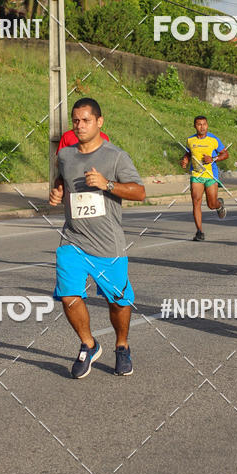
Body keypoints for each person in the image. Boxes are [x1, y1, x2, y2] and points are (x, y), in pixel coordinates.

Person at [49, 98, 146, 379]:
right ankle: (88, 344)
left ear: (99, 122)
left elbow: (139, 192)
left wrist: (108, 184)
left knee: (118, 302)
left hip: (108, 244)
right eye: (76, 120)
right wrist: (56, 193)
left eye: (86, 120)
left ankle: (122, 345)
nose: (80, 126)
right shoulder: (65, 155)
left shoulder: (116, 156)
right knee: (68, 296)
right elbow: (61, 181)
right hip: (73, 239)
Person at [179, 115, 228, 241]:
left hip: (211, 175)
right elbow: (188, 153)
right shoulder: (190, 140)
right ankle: (199, 232)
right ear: (195, 126)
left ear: (207, 125)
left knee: (211, 204)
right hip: (196, 175)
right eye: (199, 124)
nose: (202, 127)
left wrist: (213, 159)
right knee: (196, 202)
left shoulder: (214, 140)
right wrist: (185, 159)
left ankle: (219, 205)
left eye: (204, 124)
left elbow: (225, 154)